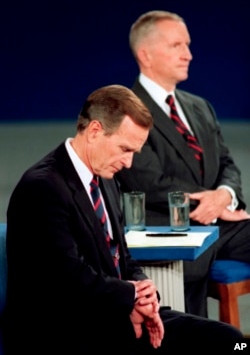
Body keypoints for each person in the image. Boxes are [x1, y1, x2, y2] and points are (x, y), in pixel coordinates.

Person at [3, 85, 243, 355]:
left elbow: (122, 257)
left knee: (234, 342)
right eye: (124, 149)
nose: (128, 163)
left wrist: (144, 291)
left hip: (116, 317)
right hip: (66, 333)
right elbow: (67, 278)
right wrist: (131, 297)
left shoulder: (105, 179)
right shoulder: (43, 187)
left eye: (134, 153)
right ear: (94, 131)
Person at [115, 10, 250, 317]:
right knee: (191, 336)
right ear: (145, 55)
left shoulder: (199, 106)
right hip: (170, 230)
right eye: (177, 46)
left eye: (188, 45)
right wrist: (212, 202)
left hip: (220, 226)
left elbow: (228, 163)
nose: (189, 54)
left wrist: (225, 195)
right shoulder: (126, 110)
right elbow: (149, 183)